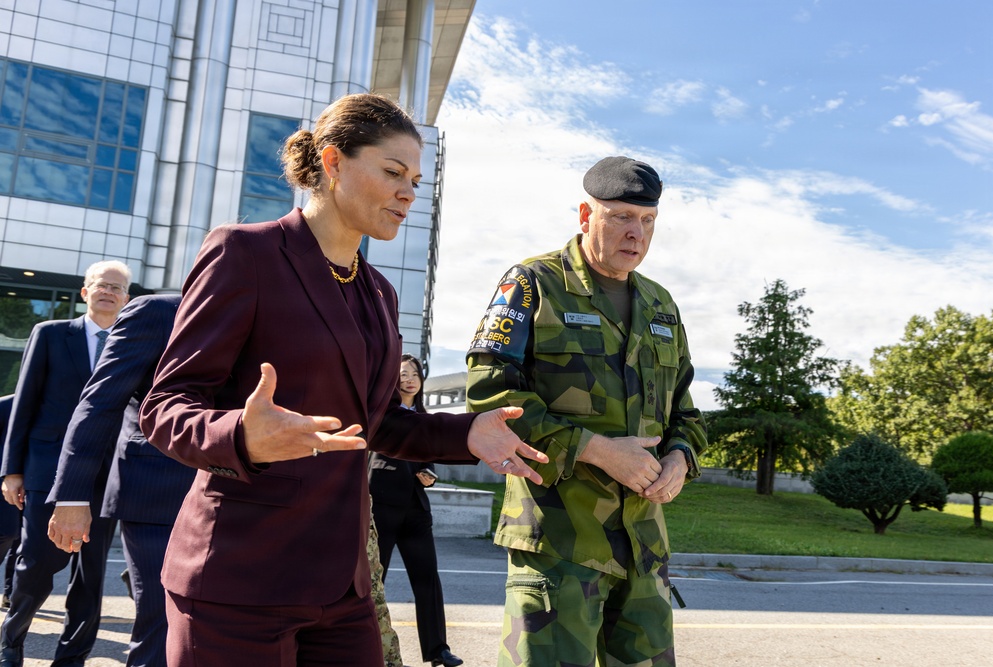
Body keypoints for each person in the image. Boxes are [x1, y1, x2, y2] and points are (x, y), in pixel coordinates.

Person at [137, 92, 547, 667]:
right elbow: (165, 405)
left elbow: (374, 424)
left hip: (343, 586)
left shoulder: (379, 292)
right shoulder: (245, 253)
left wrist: (466, 434)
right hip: (239, 578)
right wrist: (240, 435)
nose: (409, 192)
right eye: (392, 172)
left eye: (416, 179)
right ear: (332, 163)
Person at [465, 156, 709, 667]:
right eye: (620, 216)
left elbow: (685, 408)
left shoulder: (661, 304)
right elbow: (493, 393)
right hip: (560, 542)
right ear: (585, 214)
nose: (635, 233)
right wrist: (598, 451)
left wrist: (681, 459)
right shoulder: (533, 284)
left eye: (647, 221)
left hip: (644, 545)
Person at [44, 294, 193, 667]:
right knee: (163, 625)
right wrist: (73, 497)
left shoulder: (281, 313)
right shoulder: (158, 312)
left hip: (250, 495)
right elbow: (100, 403)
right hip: (157, 493)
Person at [0, 260, 132, 667]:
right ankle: (11, 644)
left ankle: (72, 657)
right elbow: (24, 405)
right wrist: (12, 470)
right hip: (46, 469)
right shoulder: (52, 334)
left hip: (106, 475)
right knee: (36, 562)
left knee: (90, 576)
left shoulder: (134, 343)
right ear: (85, 292)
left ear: (126, 299)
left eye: (117, 288)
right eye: (101, 285)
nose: (108, 292)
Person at [369, 354, 461, 667]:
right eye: (403, 374)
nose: (409, 378)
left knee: (427, 580)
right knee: (372, 583)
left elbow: (428, 461)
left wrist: (429, 476)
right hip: (381, 505)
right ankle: (368, 649)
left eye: (414, 374)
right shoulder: (381, 412)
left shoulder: (424, 417)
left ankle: (438, 650)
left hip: (416, 510)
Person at [0, 396, 17, 611]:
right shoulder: (5, 405)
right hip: (6, 482)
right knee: (8, 532)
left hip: (36, 482)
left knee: (23, 540)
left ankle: (12, 592)